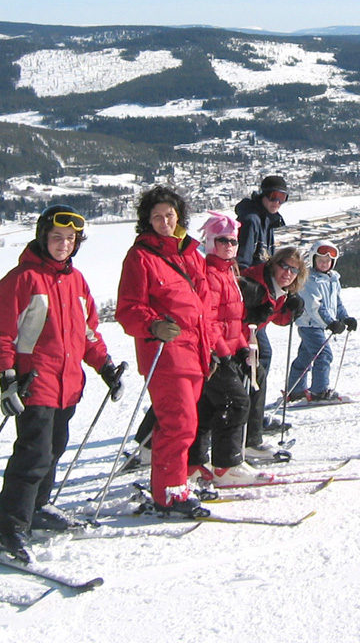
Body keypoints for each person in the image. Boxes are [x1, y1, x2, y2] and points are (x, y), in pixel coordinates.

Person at [0, 205, 125, 560]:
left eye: (70, 239)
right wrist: (7, 378)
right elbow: (1, 335)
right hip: (35, 384)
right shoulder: (21, 279)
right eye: (57, 237)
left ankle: (37, 507)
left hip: (68, 385)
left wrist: (105, 367)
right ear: (43, 237)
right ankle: (6, 528)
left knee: (54, 448)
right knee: (32, 456)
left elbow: (88, 333)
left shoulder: (76, 281)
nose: (64, 244)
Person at [116, 186, 212, 516]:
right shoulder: (140, 257)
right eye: (156, 216)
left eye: (169, 215)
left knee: (183, 423)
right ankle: (169, 494)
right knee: (178, 423)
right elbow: (128, 309)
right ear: (147, 220)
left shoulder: (190, 253)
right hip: (165, 352)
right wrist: (154, 325)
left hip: (195, 352)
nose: (164, 222)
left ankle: (175, 483)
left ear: (179, 216)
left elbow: (203, 308)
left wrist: (210, 348)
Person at [189, 212, 274, 486]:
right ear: (210, 242)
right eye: (222, 240)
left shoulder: (228, 272)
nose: (229, 246)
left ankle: (195, 463)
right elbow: (208, 320)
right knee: (236, 402)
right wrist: (224, 353)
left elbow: (233, 322)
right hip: (211, 354)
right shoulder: (209, 274)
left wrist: (241, 348)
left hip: (225, 350)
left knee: (209, 407)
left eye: (233, 241)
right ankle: (226, 466)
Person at [239, 246, 307, 460]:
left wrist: (291, 310)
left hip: (246, 338)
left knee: (255, 378)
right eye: (284, 266)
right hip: (233, 339)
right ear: (273, 264)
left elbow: (275, 317)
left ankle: (250, 437)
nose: (288, 273)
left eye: (294, 270)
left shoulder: (275, 287)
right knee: (247, 382)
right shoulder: (256, 284)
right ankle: (246, 440)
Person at [235, 174, 290, 437]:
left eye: (282, 197)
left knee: (258, 358)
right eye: (272, 196)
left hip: (260, 299)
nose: (276, 202)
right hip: (249, 304)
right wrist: (253, 294)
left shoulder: (266, 221)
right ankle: (246, 418)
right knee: (256, 357)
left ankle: (251, 416)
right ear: (262, 194)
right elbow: (242, 265)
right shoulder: (252, 221)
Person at [286, 240, 358, 401]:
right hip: (310, 325)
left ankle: (296, 390)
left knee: (305, 357)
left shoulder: (332, 279)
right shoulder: (309, 280)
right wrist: (330, 323)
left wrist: (345, 318)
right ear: (313, 260)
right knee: (324, 355)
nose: (324, 264)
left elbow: (336, 303)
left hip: (318, 325)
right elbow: (314, 307)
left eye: (328, 261)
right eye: (320, 260)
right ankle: (319, 391)